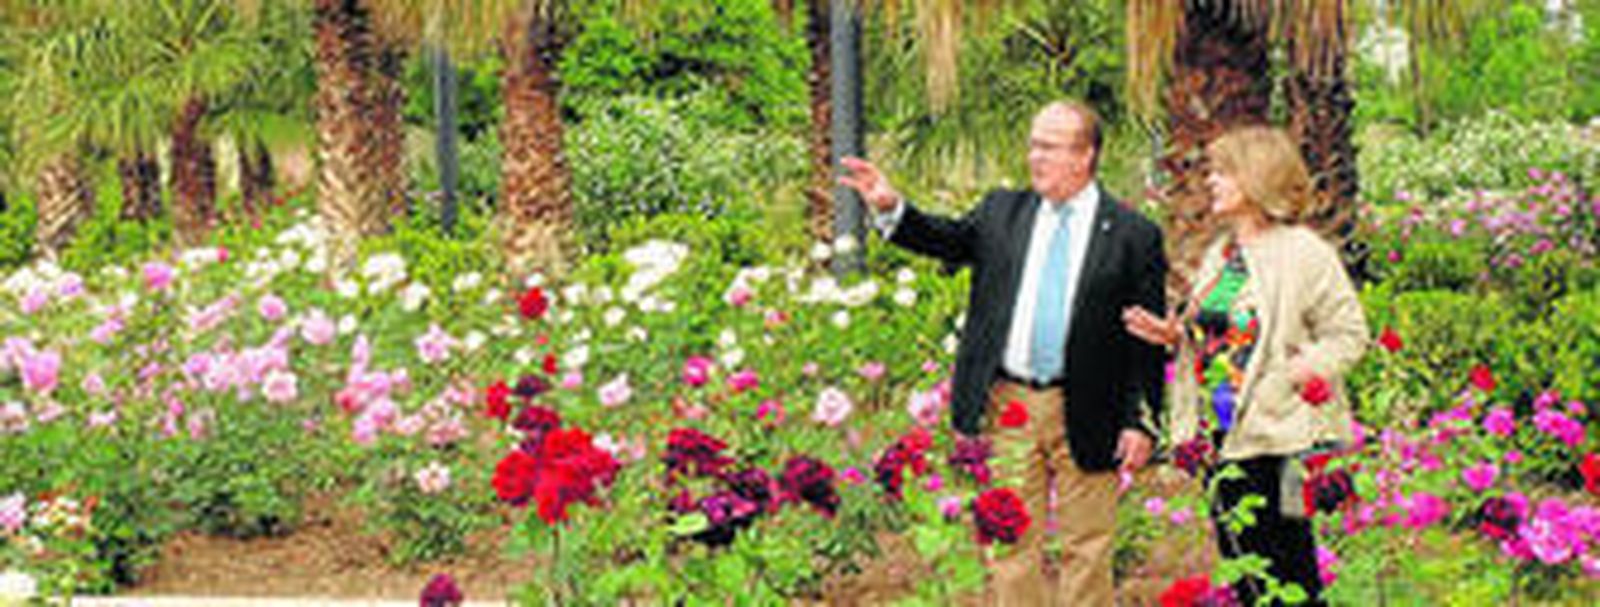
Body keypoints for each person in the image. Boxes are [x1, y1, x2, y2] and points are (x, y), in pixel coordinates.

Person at [840, 100, 1167, 606]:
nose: (1035, 156)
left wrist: (1141, 421)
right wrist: (889, 206)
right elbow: (944, 239)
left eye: (1050, 147)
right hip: (1010, 405)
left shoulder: (1133, 234)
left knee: (1089, 548)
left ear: (1085, 156)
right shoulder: (1002, 211)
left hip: (1090, 406)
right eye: (1033, 144)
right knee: (1010, 544)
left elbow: (1145, 338)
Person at [1122, 126, 1368, 606]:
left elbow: (1349, 335)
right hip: (1226, 441)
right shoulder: (1223, 254)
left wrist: (1301, 371)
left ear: (1258, 179)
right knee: (1248, 574)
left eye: (1224, 172)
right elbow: (1224, 334)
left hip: (1286, 440)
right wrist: (1176, 336)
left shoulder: (1305, 253)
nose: (1211, 181)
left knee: (1291, 576)